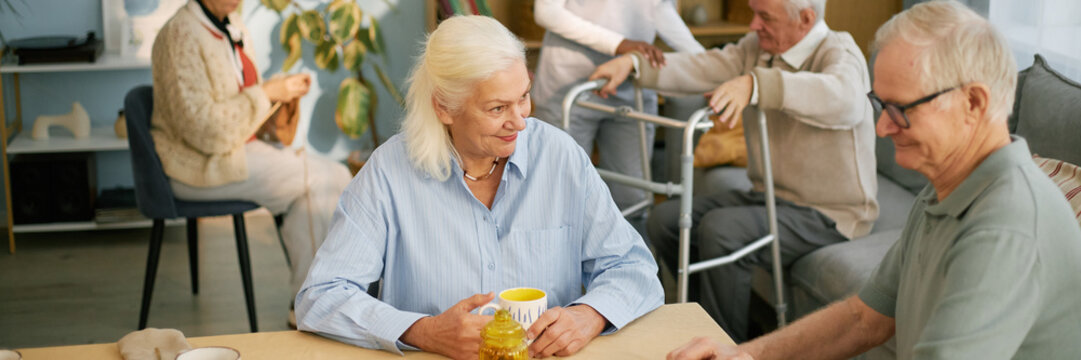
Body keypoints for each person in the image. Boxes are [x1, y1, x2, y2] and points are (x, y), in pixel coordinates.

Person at [665, 1, 1081, 359]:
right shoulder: (947, 187)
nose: (881, 127)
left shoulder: (1006, 228)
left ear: (973, 103)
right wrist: (745, 353)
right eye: (879, 104)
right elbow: (864, 319)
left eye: (900, 109)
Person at [294, 15, 663, 360]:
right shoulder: (388, 172)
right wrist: (425, 331)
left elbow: (633, 267)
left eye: (523, 97)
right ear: (444, 108)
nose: (519, 122)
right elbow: (321, 296)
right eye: (497, 108)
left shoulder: (560, 157)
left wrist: (590, 314)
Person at [589, 0, 877, 342]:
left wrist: (757, 85)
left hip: (833, 213)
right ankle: (699, 323)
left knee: (722, 231)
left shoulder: (840, 52)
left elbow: (845, 100)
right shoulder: (757, 48)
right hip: (770, 195)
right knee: (665, 220)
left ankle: (725, 345)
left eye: (764, 17)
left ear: (805, 19)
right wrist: (635, 64)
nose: (754, 25)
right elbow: (703, 66)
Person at [151, 0, 353, 326]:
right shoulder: (180, 35)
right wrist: (268, 93)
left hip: (235, 152)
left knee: (329, 180)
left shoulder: (232, 23)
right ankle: (320, 302)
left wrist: (279, 95)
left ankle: (310, 303)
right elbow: (204, 132)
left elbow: (242, 102)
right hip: (199, 165)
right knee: (328, 178)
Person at [531, 0, 705, 215]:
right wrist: (620, 43)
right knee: (561, 194)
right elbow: (547, 12)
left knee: (632, 196)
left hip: (631, 89)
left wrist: (706, 63)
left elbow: (659, 9)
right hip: (568, 86)